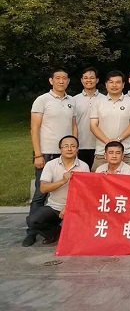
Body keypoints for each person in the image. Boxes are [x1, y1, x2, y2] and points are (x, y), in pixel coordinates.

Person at [24, 69, 78, 247]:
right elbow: (34, 128)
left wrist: (74, 146)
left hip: (67, 152)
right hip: (46, 152)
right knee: (41, 194)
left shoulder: (71, 101)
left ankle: (61, 229)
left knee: (69, 189)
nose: (61, 81)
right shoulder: (42, 100)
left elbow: (74, 126)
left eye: (64, 78)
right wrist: (38, 154)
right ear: (51, 80)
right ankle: (32, 232)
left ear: (68, 81)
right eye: (57, 78)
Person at [23, 135, 90, 246]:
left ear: (77, 149)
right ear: (60, 149)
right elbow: (43, 188)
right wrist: (63, 181)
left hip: (75, 208)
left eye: (73, 146)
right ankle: (55, 233)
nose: (69, 149)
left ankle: (70, 231)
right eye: (66, 146)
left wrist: (68, 207)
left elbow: (84, 193)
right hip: (54, 206)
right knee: (33, 220)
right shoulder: (51, 164)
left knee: (78, 237)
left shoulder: (83, 166)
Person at [90, 70, 130, 171]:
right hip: (102, 152)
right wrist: (108, 142)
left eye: (118, 82)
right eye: (111, 82)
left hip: (126, 152)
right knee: (97, 180)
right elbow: (93, 126)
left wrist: (118, 139)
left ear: (123, 85)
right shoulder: (98, 102)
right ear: (106, 85)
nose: (114, 85)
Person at [73, 66, 104, 169]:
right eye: (85, 78)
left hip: (100, 147)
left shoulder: (105, 100)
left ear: (97, 80)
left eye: (92, 78)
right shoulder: (74, 100)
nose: (89, 80)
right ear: (82, 80)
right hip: (80, 145)